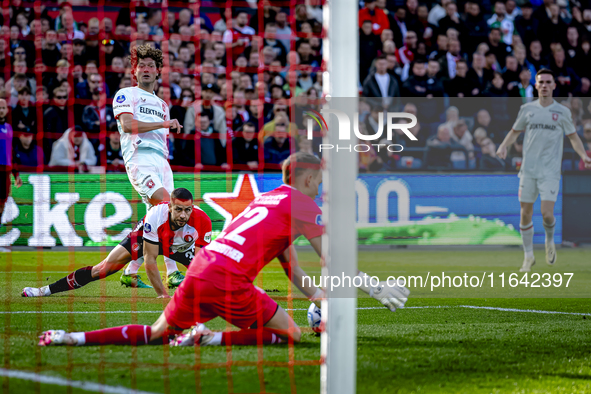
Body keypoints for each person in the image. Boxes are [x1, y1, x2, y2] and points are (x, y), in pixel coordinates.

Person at [36, 153, 409, 347]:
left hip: (200, 271)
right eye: (320, 181)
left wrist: (319, 298)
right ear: (308, 178)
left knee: (155, 335)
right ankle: (209, 337)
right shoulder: (303, 204)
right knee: (291, 335)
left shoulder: (268, 201)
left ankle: (70, 337)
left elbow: (294, 272)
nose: (321, 188)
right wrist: (373, 286)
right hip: (229, 279)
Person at [23, 188, 212, 299]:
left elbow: (200, 262)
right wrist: (163, 295)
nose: (183, 215)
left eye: (187, 210)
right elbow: (150, 260)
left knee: (210, 275)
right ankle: (44, 290)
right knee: (101, 269)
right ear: (169, 207)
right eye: (178, 210)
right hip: (146, 238)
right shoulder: (156, 215)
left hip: (180, 247)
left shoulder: (202, 221)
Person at [496, 69, 591, 273]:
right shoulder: (527, 109)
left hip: (550, 171)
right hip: (528, 170)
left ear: (554, 86)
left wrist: (583, 155)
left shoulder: (563, 112)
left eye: (548, 82)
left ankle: (549, 240)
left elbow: (573, 137)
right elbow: (514, 132)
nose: (545, 85)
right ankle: (528, 257)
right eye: (541, 82)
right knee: (525, 213)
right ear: (536, 86)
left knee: (547, 214)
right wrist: (504, 146)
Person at [111, 44, 186, 289]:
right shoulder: (125, 94)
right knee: (168, 208)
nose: (145, 69)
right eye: (140, 65)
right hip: (140, 159)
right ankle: (172, 272)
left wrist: (165, 125)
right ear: (134, 71)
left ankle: (130, 271)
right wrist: (164, 124)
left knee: (156, 220)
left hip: (162, 162)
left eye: (150, 66)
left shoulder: (163, 104)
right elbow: (129, 126)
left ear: (157, 72)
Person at [0, 99, 22, 252]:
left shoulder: (8, 128)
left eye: (3, 107)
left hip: (5, 173)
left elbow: (11, 153)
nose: (1, 110)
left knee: (1, 207)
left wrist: (16, 174)